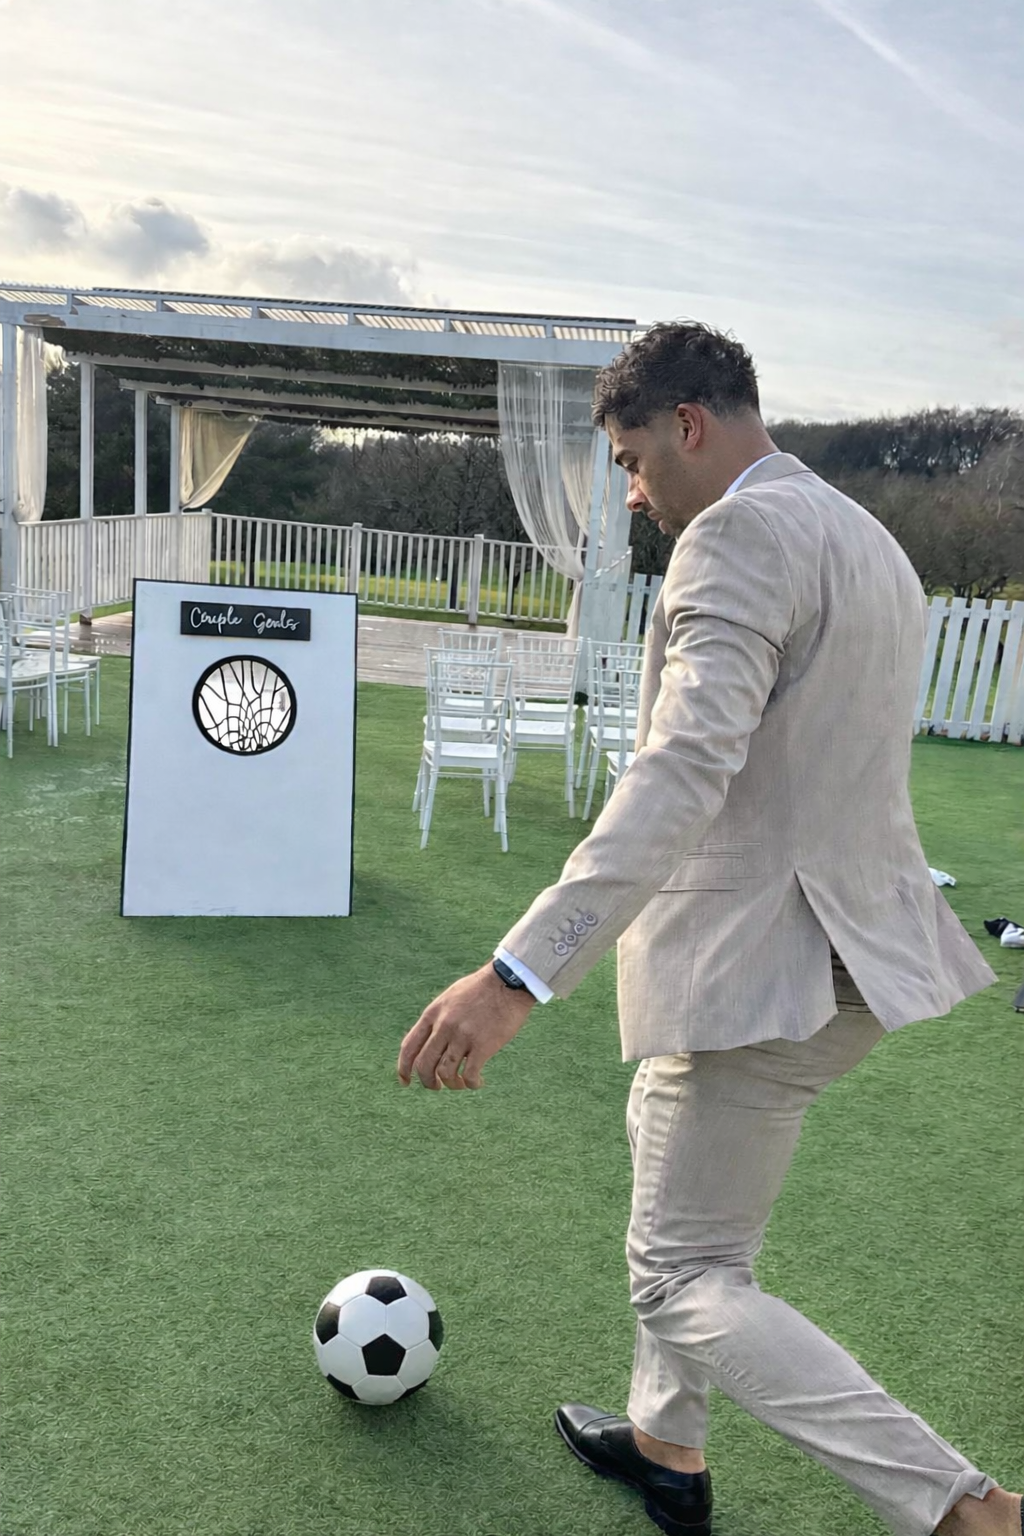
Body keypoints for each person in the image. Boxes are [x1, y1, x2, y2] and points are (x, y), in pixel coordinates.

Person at [397, 322, 1020, 1536]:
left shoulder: (735, 533)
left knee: (681, 1275)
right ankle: (665, 1444)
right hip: (849, 949)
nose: (634, 496)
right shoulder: (867, 537)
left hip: (769, 965)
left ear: (688, 425)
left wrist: (517, 972)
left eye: (633, 461)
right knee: (667, 1161)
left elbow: (681, 771)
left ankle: (970, 1511)